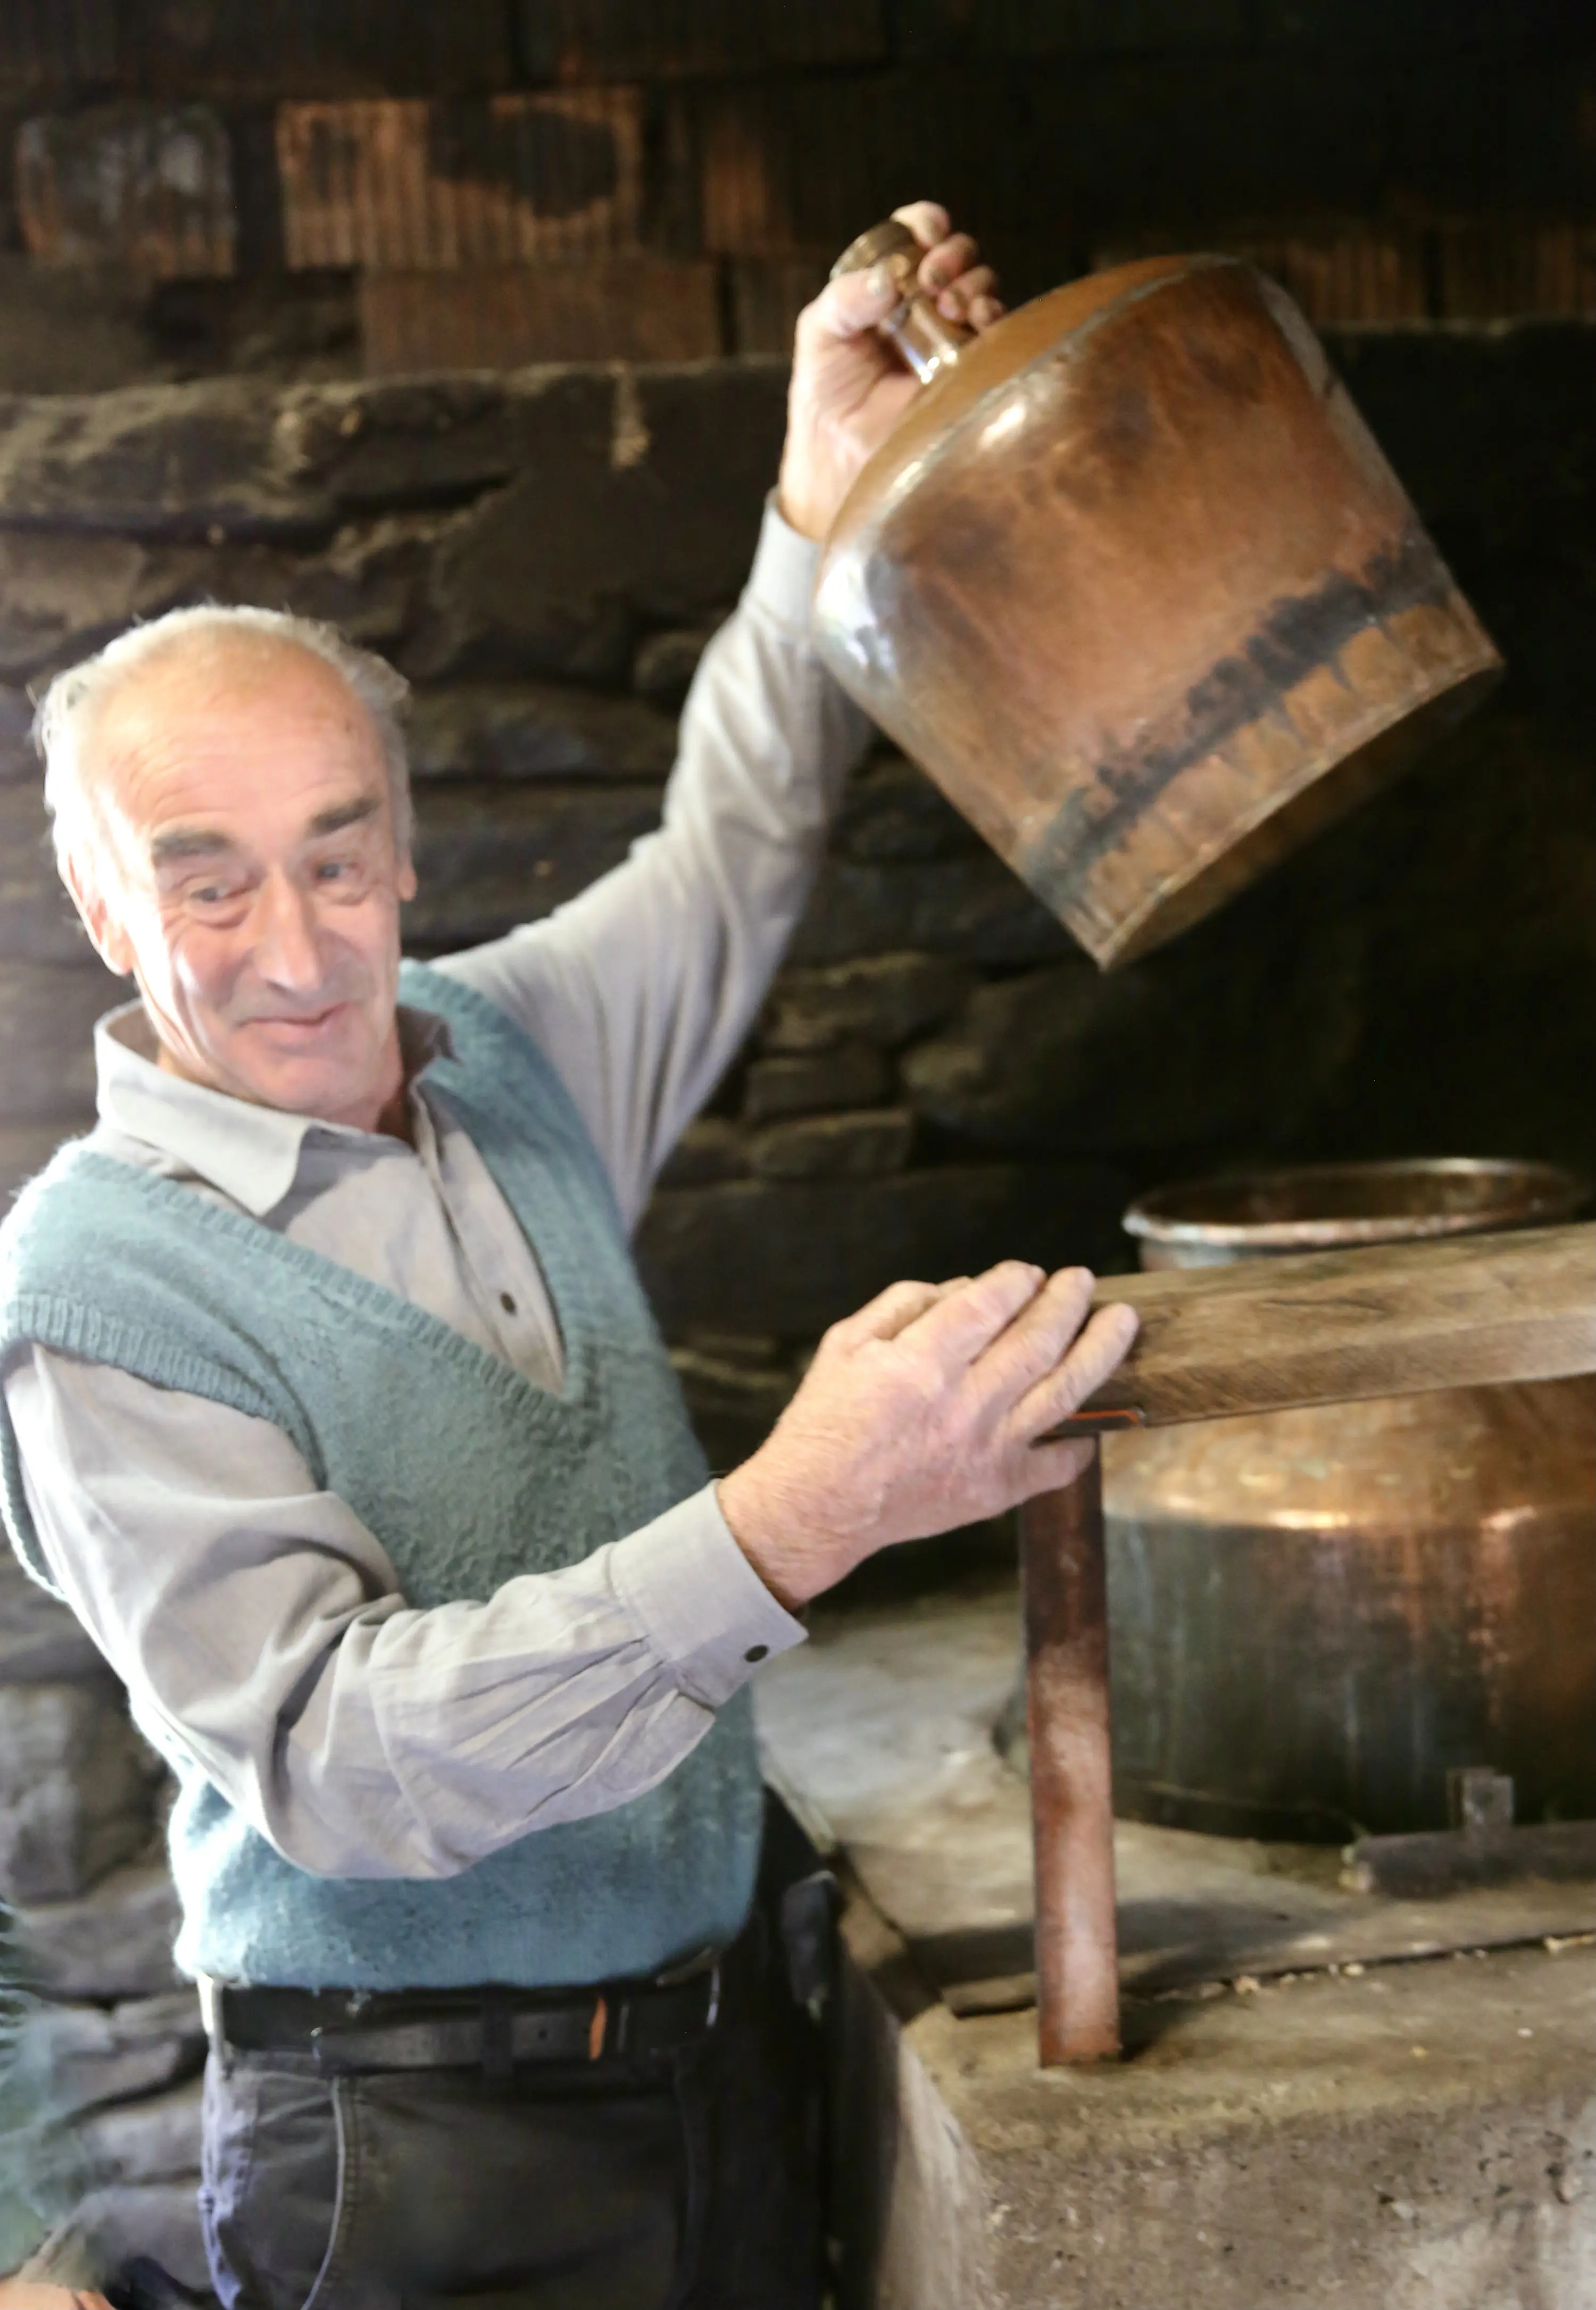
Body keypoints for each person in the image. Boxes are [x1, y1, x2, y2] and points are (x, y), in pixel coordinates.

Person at [0, 204, 1137, 2310]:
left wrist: (818, 491)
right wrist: (798, 1517)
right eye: (209, 882)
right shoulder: (93, 1287)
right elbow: (336, 1752)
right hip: (416, 2152)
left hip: (722, 2067)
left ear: (404, 845)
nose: (298, 946)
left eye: (341, 855)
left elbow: (734, 846)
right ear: (100, 899)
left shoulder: (506, 1050)